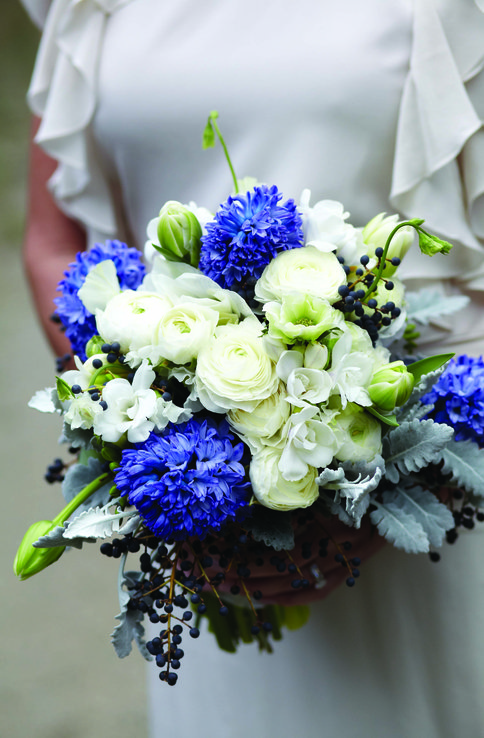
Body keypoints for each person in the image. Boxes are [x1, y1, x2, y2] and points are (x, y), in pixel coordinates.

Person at [20, 1, 484, 736]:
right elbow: (54, 241)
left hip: (435, 477)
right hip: (200, 522)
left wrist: (389, 481)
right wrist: (144, 444)